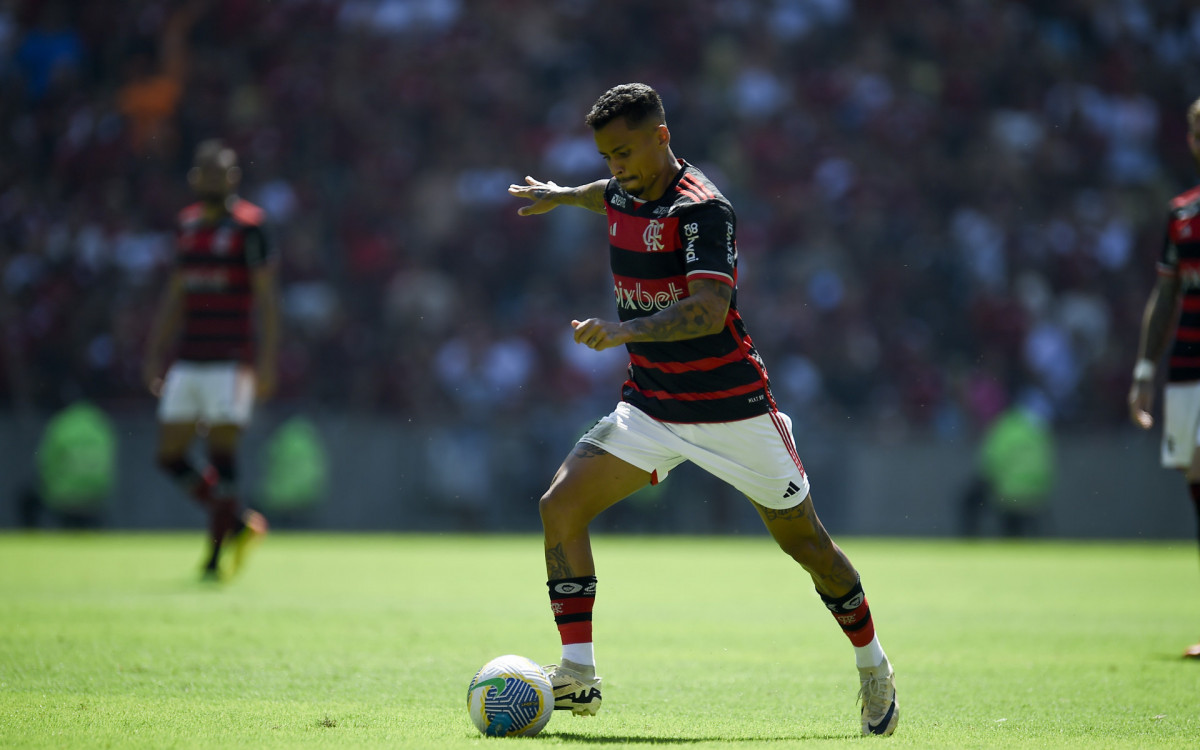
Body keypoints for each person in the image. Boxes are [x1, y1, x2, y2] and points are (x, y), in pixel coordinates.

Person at [508, 83, 898, 736]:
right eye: (607, 156)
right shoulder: (623, 189)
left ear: (661, 137)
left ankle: (873, 665)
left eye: (625, 152)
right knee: (560, 506)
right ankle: (578, 673)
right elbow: (603, 196)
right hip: (652, 407)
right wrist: (560, 194)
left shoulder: (703, 210)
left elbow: (709, 311)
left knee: (808, 545)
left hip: (734, 410)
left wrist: (624, 331)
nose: (616, 168)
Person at [142, 138, 279, 581]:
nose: (217, 180)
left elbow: (266, 299)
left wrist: (267, 361)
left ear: (234, 177)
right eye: (209, 172)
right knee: (169, 455)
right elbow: (176, 293)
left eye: (224, 172)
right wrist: (155, 351)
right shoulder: (187, 225)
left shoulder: (250, 227)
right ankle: (237, 523)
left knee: (222, 454)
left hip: (231, 359)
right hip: (190, 356)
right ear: (195, 178)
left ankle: (214, 558)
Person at [1129, 96, 1200, 660]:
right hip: (1188, 367)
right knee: (1195, 478)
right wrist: (1145, 370)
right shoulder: (1182, 214)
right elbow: (1167, 293)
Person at [960, 391, 1055, 538]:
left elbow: (991, 463)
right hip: (1037, 494)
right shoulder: (1039, 433)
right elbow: (1049, 466)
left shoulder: (1005, 429)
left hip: (1009, 493)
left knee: (970, 500)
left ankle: (970, 538)